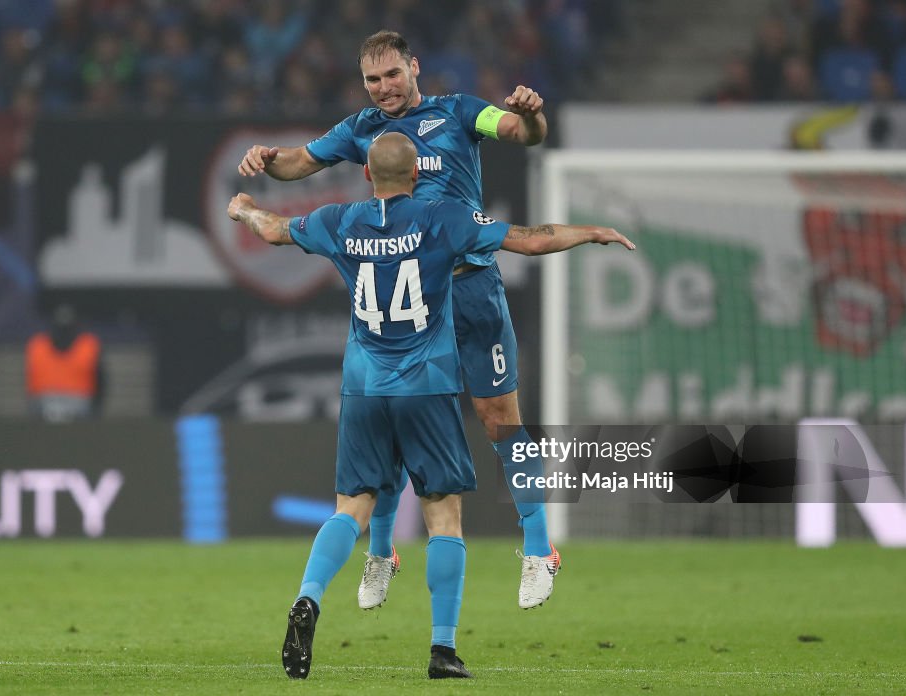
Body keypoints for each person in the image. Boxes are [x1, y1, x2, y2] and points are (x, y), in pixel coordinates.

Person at [229, 132, 634, 680]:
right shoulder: (444, 219)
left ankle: (309, 596)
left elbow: (274, 230)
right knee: (444, 515)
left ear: (366, 176)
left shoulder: (338, 220)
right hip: (427, 385)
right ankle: (442, 649)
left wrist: (246, 207)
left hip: (364, 390)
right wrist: (589, 232)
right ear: (416, 175)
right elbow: (528, 240)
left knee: (350, 507)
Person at [238, 29, 565, 611]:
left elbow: (521, 134)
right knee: (390, 420)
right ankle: (382, 553)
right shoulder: (360, 128)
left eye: (392, 74)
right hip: (406, 298)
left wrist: (532, 116)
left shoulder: (459, 112)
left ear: (415, 68)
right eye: (372, 79)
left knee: (499, 419)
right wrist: (266, 160)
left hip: (468, 289)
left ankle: (539, 549)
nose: (383, 88)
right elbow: (298, 164)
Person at [25, 304, 105, 422]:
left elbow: (100, 383)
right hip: (43, 405)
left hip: (80, 405)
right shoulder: (37, 346)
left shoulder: (89, 345)